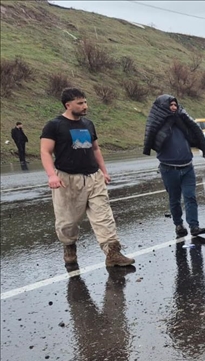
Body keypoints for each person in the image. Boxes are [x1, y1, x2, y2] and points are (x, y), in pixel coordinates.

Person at [40, 87, 135, 268]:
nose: (85, 106)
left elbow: (95, 149)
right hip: (68, 179)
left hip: (93, 177)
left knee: (103, 216)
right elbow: (45, 151)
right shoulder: (54, 125)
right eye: (80, 103)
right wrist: (52, 175)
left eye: (85, 102)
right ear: (68, 105)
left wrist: (104, 171)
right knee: (67, 221)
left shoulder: (88, 124)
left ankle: (113, 253)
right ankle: (69, 246)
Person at [143, 94, 205, 237]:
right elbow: (152, 139)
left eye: (175, 105)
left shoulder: (182, 120)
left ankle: (194, 226)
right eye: (170, 105)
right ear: (163, 107)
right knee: (174, 199)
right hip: (169, 169)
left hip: (187, 166)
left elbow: (195, 132)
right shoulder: (158, 123)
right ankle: (178, 225)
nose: (174, 107)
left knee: (190, 197)